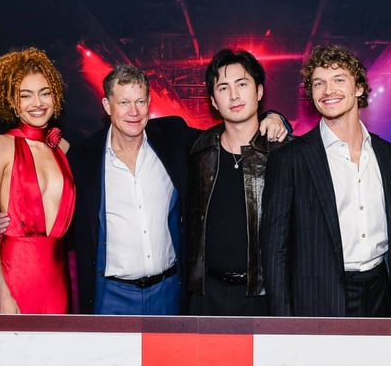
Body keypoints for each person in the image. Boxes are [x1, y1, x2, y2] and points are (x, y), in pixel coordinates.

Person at [67, 63, 289, 315]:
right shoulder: (83, 157)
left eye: (140, 101)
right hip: (111, 295)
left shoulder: (172, 138)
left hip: (168, 292)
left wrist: (274, 117)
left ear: (149, 102)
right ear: (107, 106)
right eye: (124, 103)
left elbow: (232, 130)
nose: (134, 112)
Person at [261, 44, 391, 317]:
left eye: (339, 79)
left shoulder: (388, 155)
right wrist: (282, 323)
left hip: (382, 294)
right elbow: (274, 251)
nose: (328, 91)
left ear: (359, 88)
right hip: (320, 297)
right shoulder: (290, 159)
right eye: (319, 83)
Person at [186, 49, 292, 315]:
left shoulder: (287, 154)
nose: (234, 95)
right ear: (213, 100)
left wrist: (279, 119)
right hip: (205, 296)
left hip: (265, 297)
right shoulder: (198, 149)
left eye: (242, 84)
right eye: (223, 88)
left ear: (258, 92)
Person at [0, 47, 75, 314]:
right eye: (26, 95)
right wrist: (1, 292)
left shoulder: (63, 149)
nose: (38, 103)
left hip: (57, 283)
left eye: (45, 93)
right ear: (12, 101)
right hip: (14, 280)